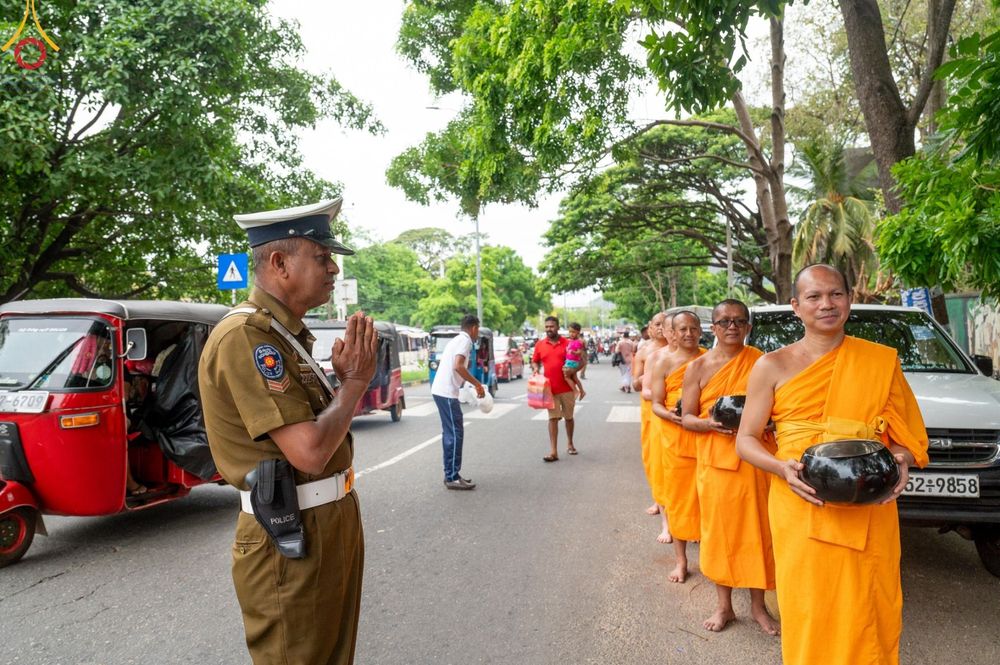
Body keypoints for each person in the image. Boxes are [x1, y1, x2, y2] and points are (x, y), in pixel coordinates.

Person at [199, 198, 377, 665]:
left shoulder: (284, 335)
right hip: (289, 533)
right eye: (321, 256)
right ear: (280, 263)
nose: (334, 268)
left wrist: (343, 384)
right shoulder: (247, 336)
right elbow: (310, 451)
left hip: (323, 521)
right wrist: (355, 383)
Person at [736, 264, 929, 665]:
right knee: (811, 608)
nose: (827, 304)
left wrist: (902, 459)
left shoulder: (879, 361)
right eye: (814, 296)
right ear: (796, 306)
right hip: (801, 503)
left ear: (849, 299)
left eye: (836, 294)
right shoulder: (771, 365)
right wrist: (779, 468)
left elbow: (909, 437)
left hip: (869, 505)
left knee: (868, 606)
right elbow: (746, 439)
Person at [680, 299, 778, 635]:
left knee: (757, 533)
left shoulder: (764, 363)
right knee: (721, 535)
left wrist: (765, 424)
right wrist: (709, 426)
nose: (731, 327)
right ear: (714, 327)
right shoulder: (698, 367)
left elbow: (779, 410)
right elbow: (687, 417)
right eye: (724, 322)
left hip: (757, 461)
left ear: (748, 327)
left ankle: (758, 607)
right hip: (717, 462)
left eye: (739, 321)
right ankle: (724, 607)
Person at [649, 311, 706, 583]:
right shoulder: (664, 362)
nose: (688, 334)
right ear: (673, 332)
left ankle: (710, 556)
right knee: (680, 501)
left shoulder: (710, 359)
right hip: (676, 438)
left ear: (700, 331)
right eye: (682, 329)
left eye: (693, 328)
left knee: (709, 501)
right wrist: (671, 415)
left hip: (707, 438)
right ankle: (681, 561)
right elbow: (656, 403)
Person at [430, 314, 486, 490]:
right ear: (474, 328)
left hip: (444, 391)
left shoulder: (457, 340)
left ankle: (452, 474)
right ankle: (452, 476)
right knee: (454, 433)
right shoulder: (466, 341)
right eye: (478, 330)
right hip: (446, 393)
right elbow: (458, 366)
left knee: (452, 432)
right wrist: (477, 384)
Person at [631, 313, 669, 526]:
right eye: (657, 324)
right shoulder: (644, 351)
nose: (662, 328)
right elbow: (635, 383)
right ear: (650, 328)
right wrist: (650, 378)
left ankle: (667, 500)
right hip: (651, 407)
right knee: (652, 455)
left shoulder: (679, 349)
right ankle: (658, 497)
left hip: (671, 405)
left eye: (665, 324)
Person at [532, 316, 578, 461]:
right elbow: (535, 361)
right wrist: (535, 369)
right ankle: (553, 451)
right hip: (549, 389)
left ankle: (570, 443)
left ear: (558, 327)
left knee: (569, 418)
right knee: (553, 419)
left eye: (551, 326)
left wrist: (573, 370)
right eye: (546, 327)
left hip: (567, 388)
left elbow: (580, 360)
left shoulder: (568, 343)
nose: (549, 329)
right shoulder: (540, 344)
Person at [562, 322, 587, 399]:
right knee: (575, 378)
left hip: (572, 362)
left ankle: (575, 391)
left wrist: (574, 352)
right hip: (570, 361)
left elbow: (580, 352)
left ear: (578, 332)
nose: (571, 334)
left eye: (573, 332)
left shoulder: (578, 342)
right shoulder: (571, 341)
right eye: (570, 332)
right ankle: (582, 391)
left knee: (566, 377)